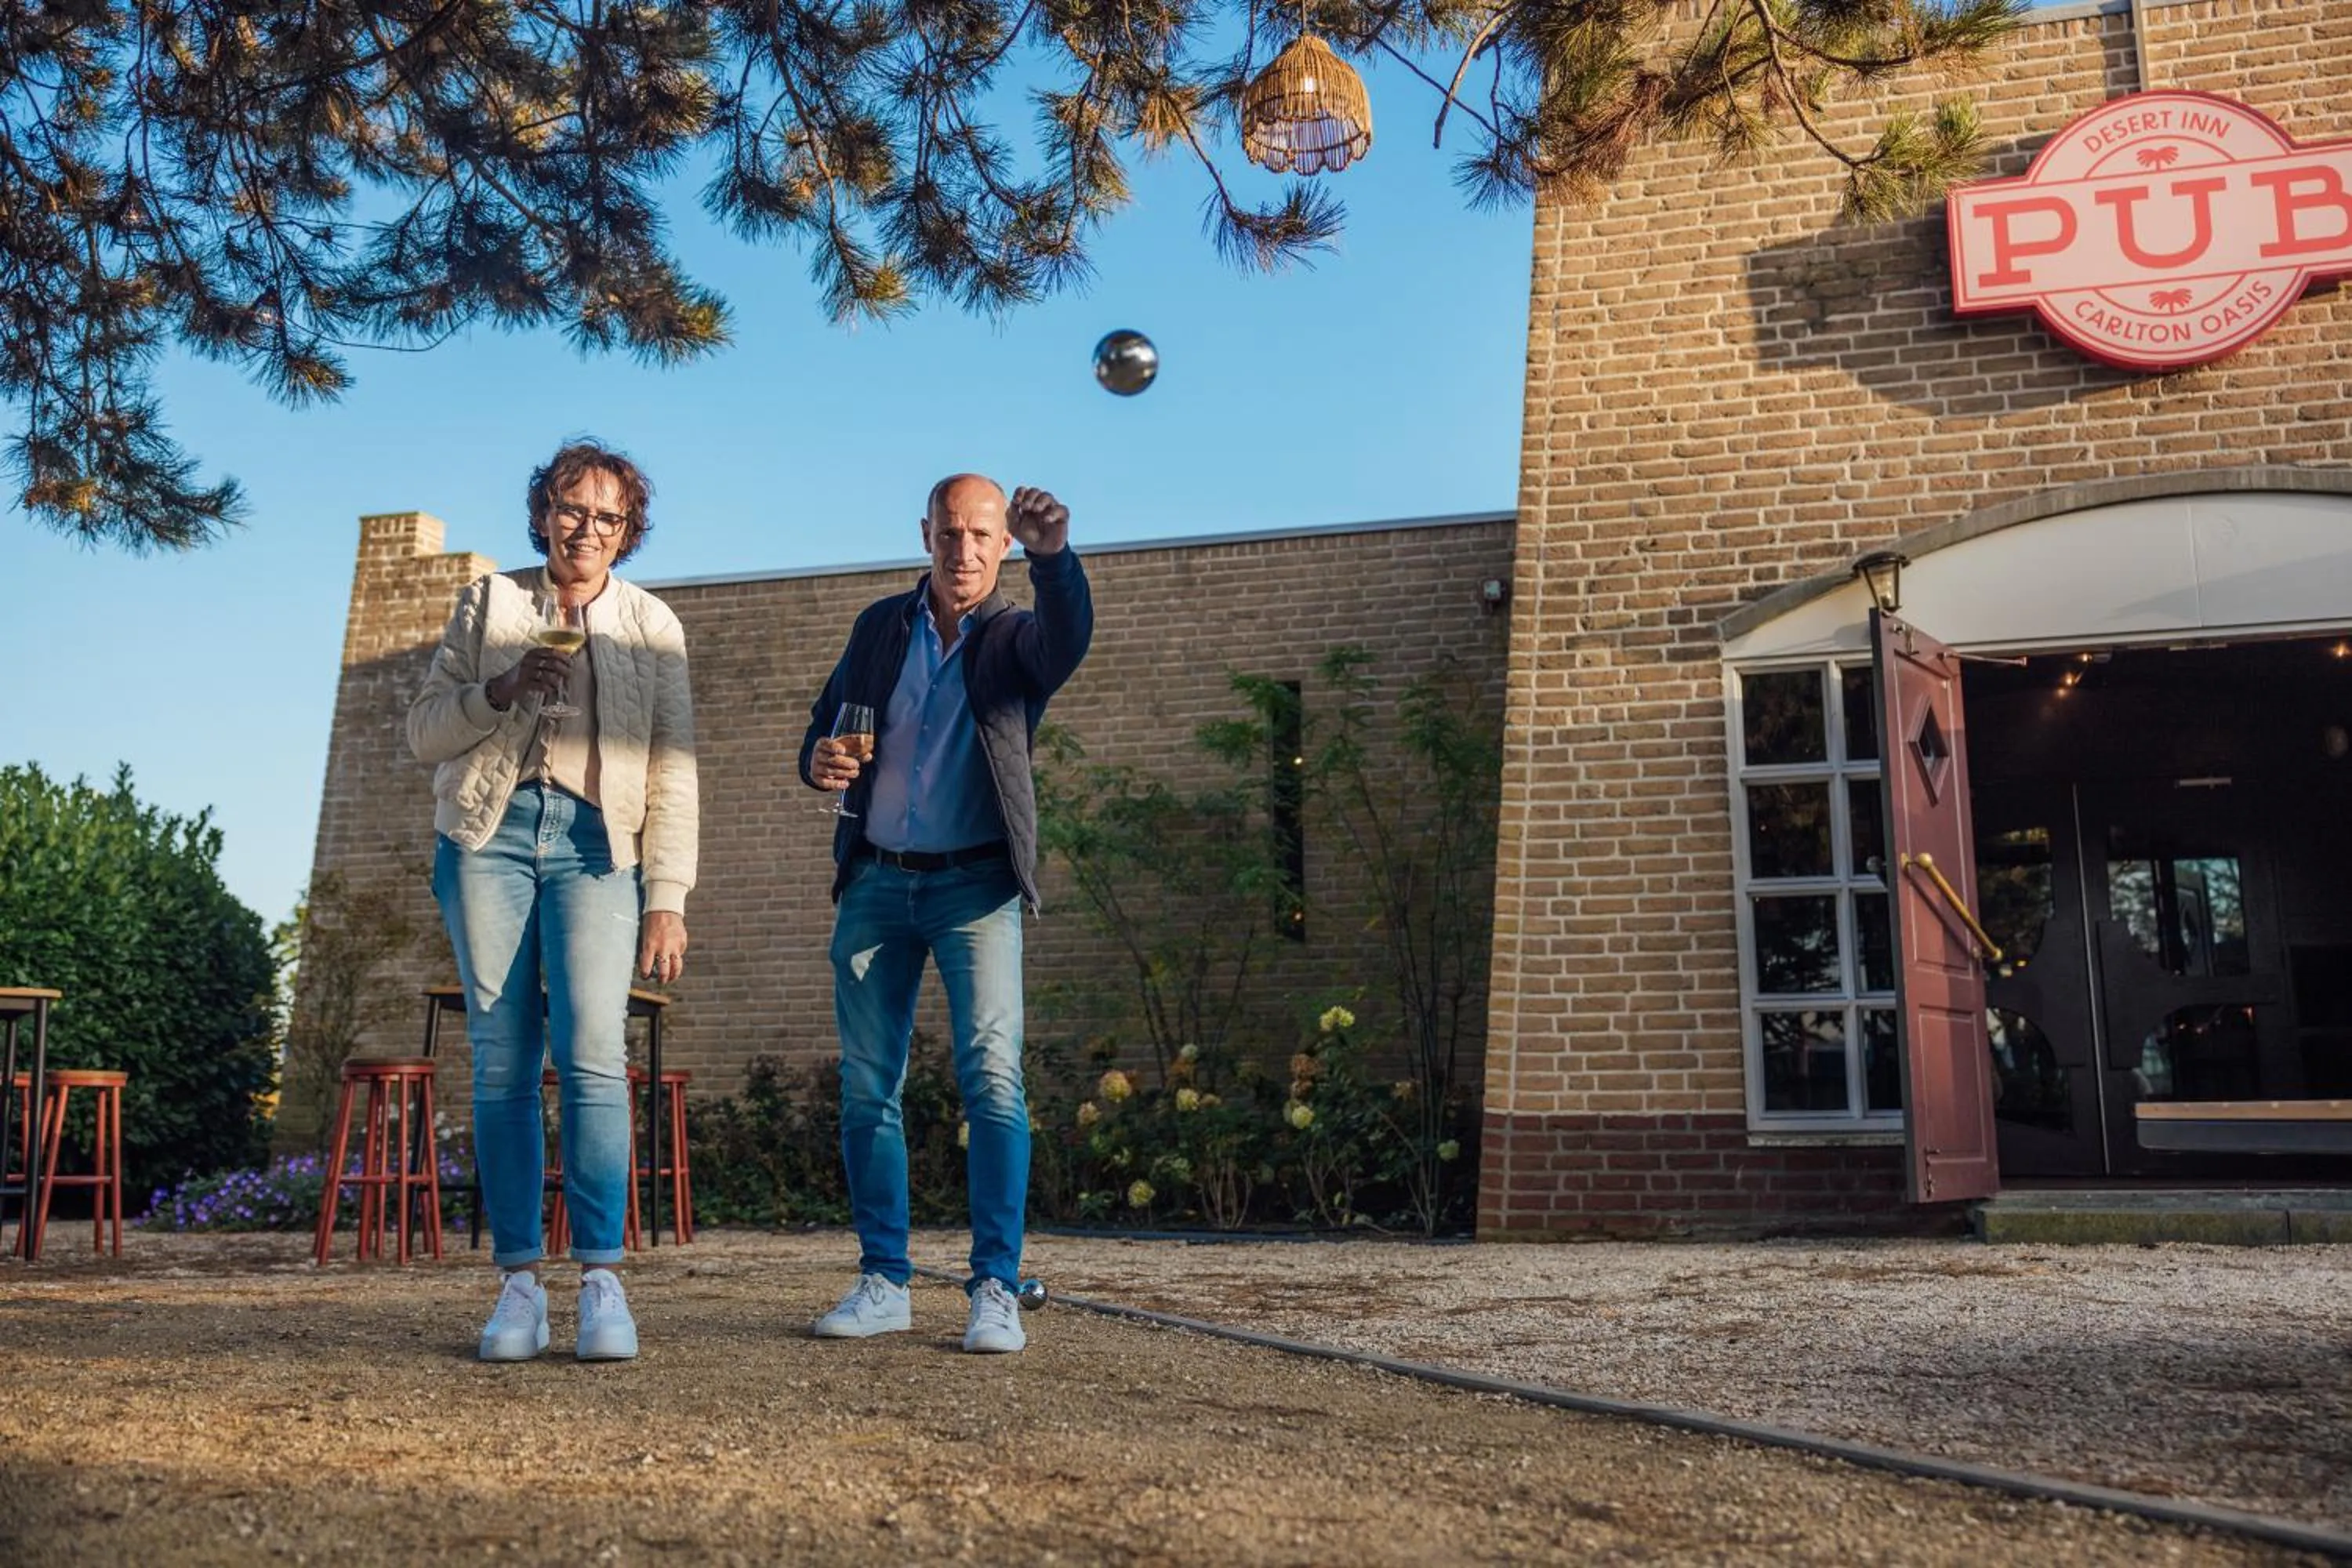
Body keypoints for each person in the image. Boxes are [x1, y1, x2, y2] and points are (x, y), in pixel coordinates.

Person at [408, 438, 699, 1363]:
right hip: (488, 839)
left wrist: (669, 894)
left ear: (628, 531)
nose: (587, 528)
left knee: (594, 1054)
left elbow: (673, 772)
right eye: (572, 509)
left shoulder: (653, 624)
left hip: (595, 845)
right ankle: (520, 1285)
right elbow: (424, 731)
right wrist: (500, 687)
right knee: (501, 1057)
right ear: (543, 513)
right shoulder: (488, 601)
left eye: (608, 516)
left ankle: (603, 1279)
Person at [799, 473, 1092, 1353]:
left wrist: (1058, 559)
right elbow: (824, 725)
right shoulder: (880, 625)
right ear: (924, 531)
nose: (962, 550)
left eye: (981, 535)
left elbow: (1067, 639)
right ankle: (884, 1279)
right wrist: (818, 759)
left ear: (1003, 544)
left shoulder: (1014, 637)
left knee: (993, 1082)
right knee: (866, 1088)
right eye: (949, 532)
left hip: (976, 888)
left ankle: (995, 1286)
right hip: (878, 882)